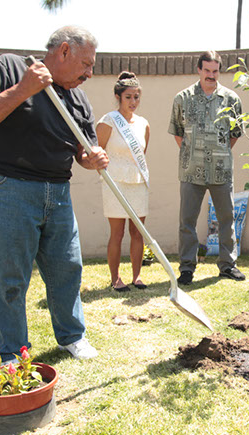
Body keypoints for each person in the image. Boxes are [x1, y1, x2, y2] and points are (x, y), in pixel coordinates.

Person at [0, 26, 109, 362]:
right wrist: (23, 90)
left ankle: (72, 336)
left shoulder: (78, 98)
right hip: (6, 187)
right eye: (86, 64)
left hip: (58, 192)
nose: (90, 73)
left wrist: (92, 158)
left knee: (67, 268)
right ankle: (12, 351)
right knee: (11, 275)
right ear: (63, 51)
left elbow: (84, 150)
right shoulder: (12, 69)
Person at [168, 50, 245, 285]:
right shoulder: (182, 98)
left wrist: (218, 152)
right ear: (199, 70)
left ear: (219, 71)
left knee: (226, 219)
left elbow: (234, 135)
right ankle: (187, 268)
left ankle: (227, 266)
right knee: (187, 221)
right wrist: (195, 154)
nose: (211, 75)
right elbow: (178, 134)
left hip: (221, 171)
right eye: (207, 70)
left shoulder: (232, 100)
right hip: (191, 170)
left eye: (215, 71)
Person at [96, 72, 151, 292]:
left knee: (137, 232)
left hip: (137, 183)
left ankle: (137, 276)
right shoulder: (108, 121)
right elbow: (97, 152)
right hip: (115, 182)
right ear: (118, 97)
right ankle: (116, 278)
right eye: (128, 97)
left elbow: (142, 152)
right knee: (117, 233)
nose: (133, 102)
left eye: (136, 97)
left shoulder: (144, 124)